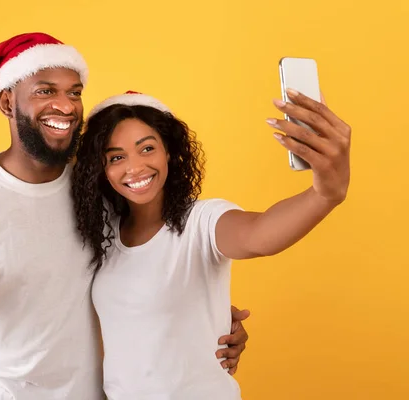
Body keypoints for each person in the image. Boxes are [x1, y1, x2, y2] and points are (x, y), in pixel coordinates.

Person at [0, 34, 250, 399]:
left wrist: (208, 318)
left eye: (74, 93)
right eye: (45, 91)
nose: (65, 106)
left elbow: (157, 256)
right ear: (7, 101)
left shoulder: (100, 181)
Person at [71, 90, 351, 399]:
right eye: (117, 157)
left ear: (169, 153)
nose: (134, 167)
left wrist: (325, 195)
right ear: (102, 169)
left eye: (147, 148)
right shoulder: (104, 234)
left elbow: (259, 234)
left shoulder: (201, 221)